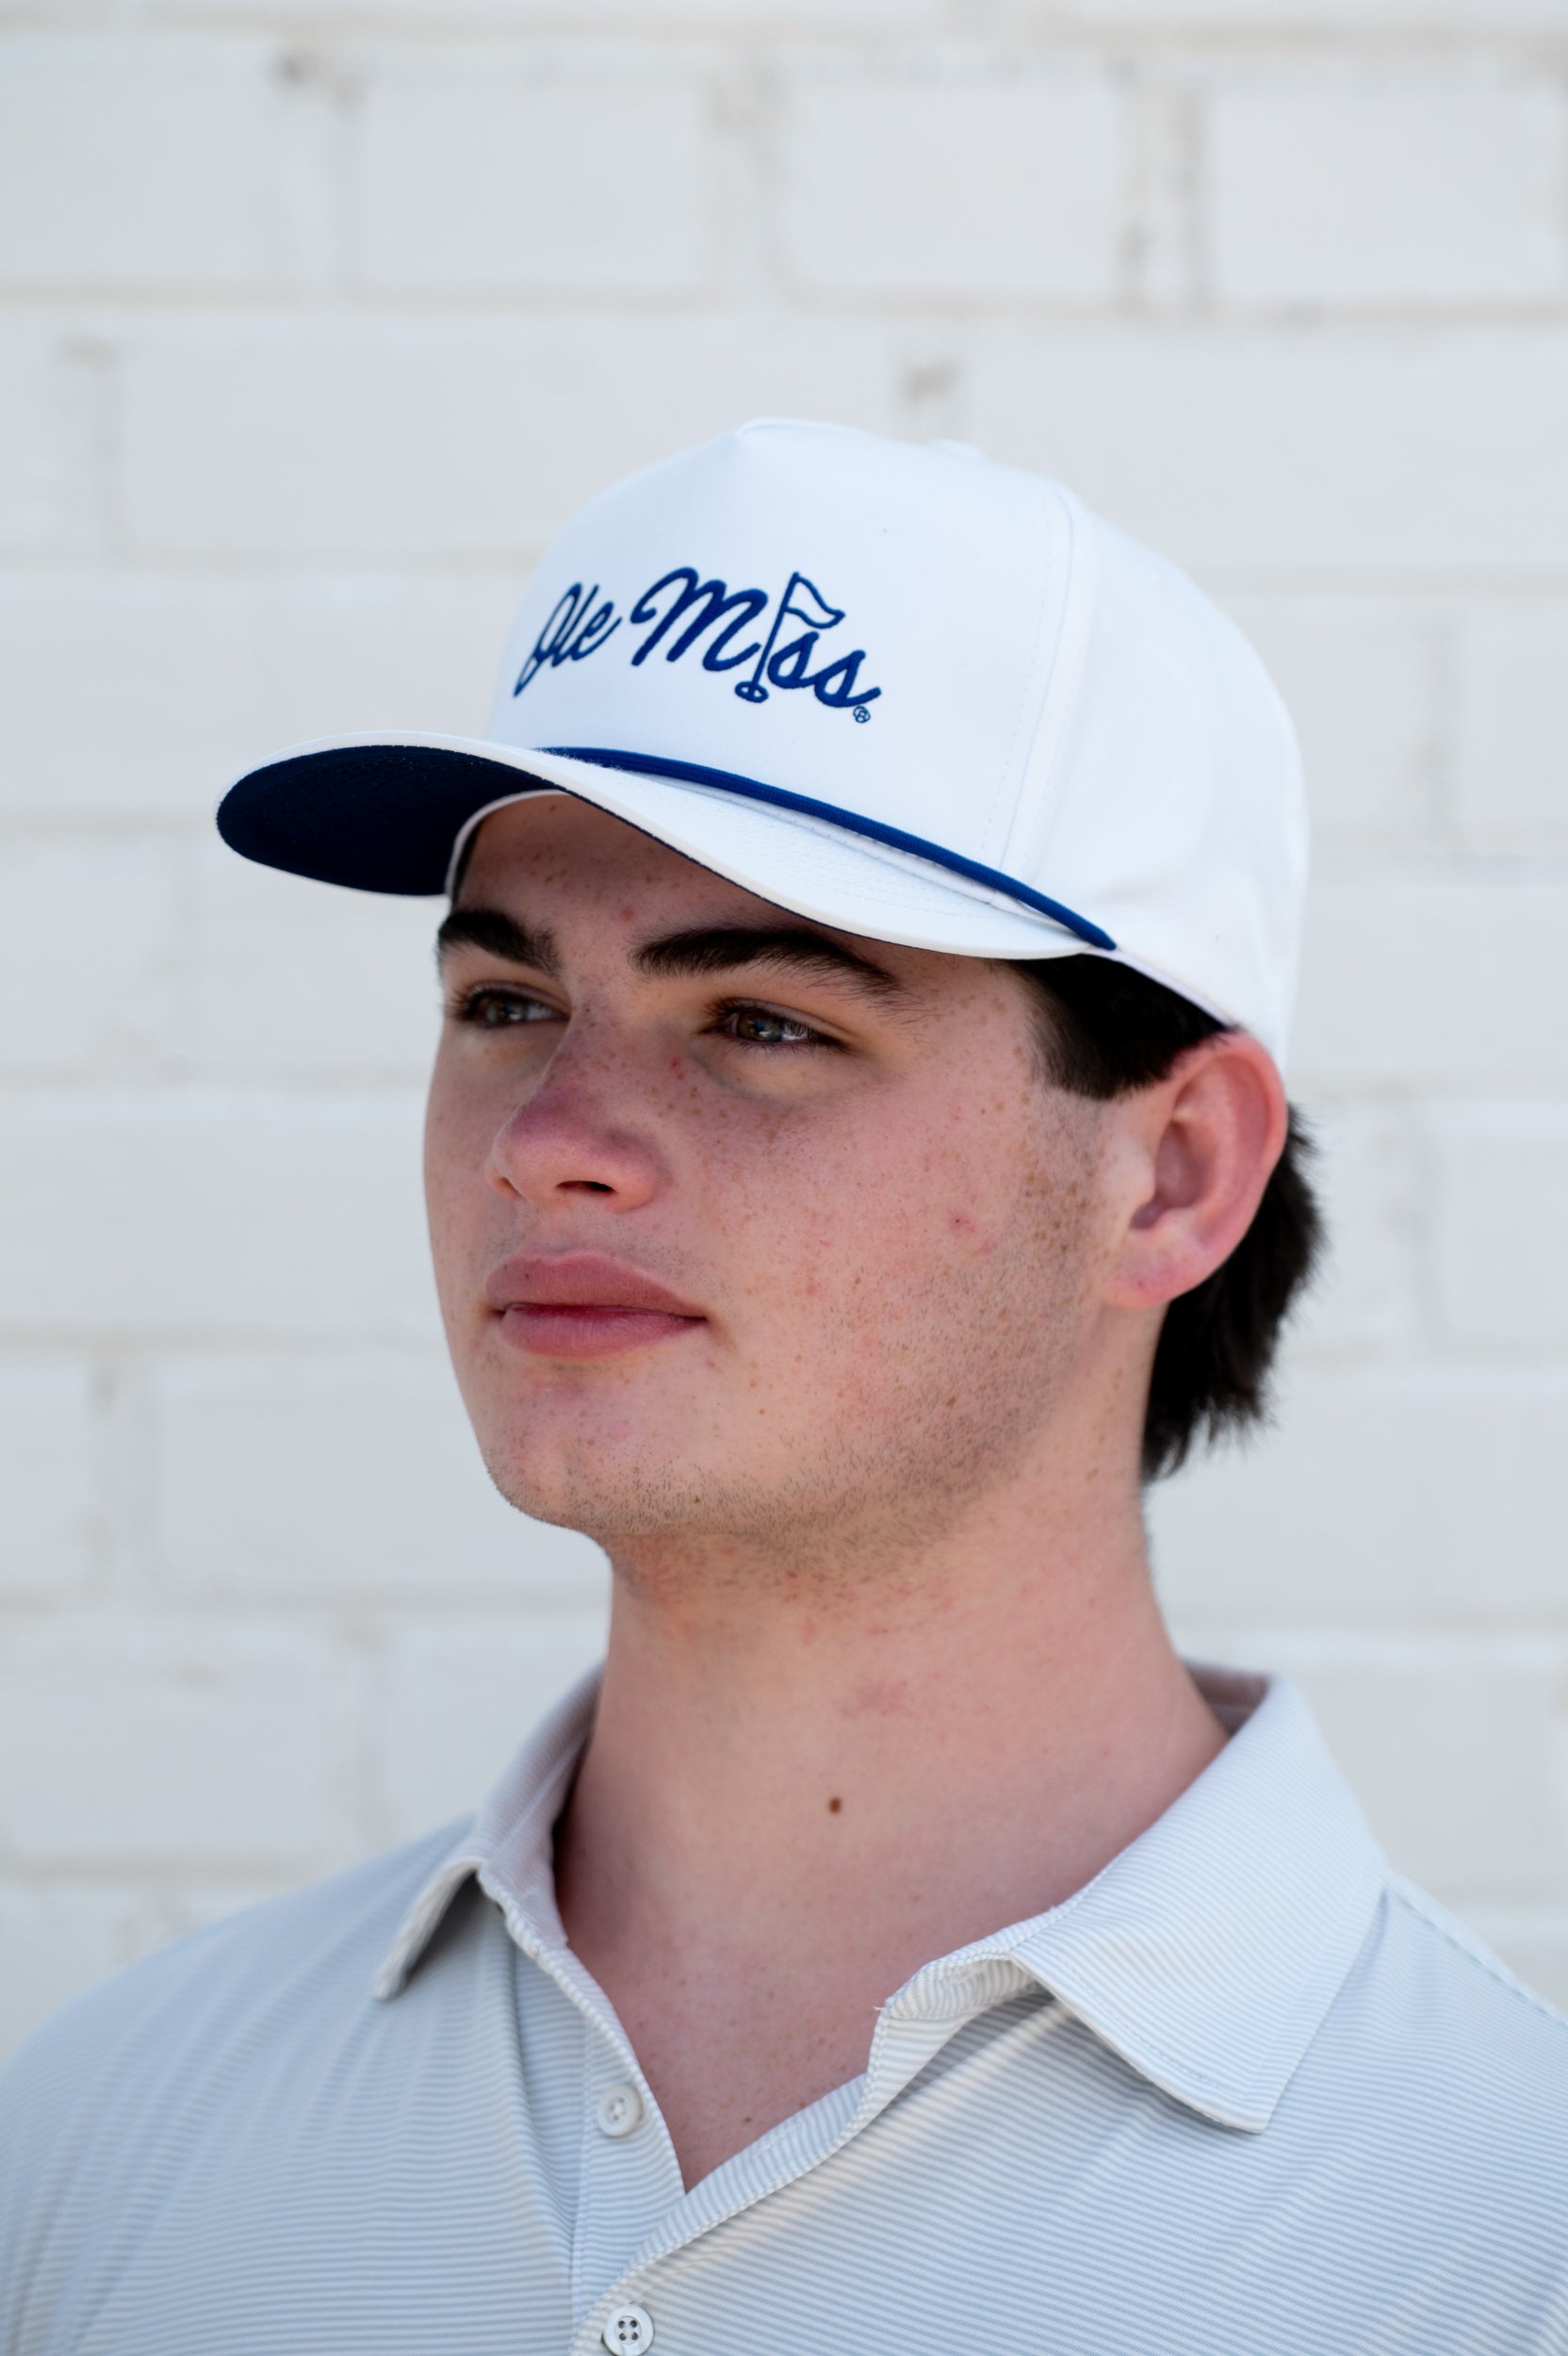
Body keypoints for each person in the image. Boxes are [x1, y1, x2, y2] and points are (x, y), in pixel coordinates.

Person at [2, 421, 1564, 2355]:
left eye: (761, 1019)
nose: (550, 1139)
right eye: (504, 1001)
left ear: (1169, 1172)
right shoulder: (106, 2143)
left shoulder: (1494, 2236)